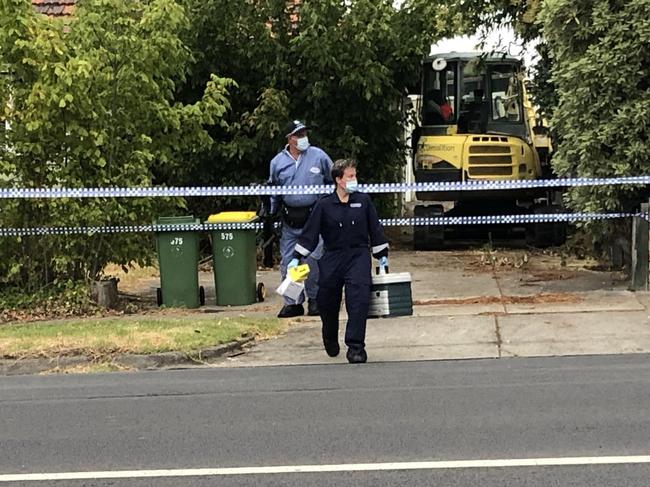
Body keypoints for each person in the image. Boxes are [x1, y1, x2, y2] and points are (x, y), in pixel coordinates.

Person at [288, 159, 389, 364]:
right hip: (333, 257)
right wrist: (297, 258)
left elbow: (375, 230)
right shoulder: (324, 205)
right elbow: (310, 234)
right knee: (326, 301)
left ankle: (356, 347)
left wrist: (381, 255)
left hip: (358, 256)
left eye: (355, 175)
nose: (354, 180)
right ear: (338, 180)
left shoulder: (363, 201)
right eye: (350, 176)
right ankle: (329, 335)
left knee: (359, 300)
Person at [269, 120, 333, 318]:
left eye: (305, 133)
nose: (303, 138)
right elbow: (273, 190)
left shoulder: (318, 156)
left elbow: (333, 180)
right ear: (289, 139)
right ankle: (293, 302)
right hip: (290, 220)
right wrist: (270, 213)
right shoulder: (277, 162)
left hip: (314, 217)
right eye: (299, 134)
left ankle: (315, 299)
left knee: (314, 260)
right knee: (289, 262)